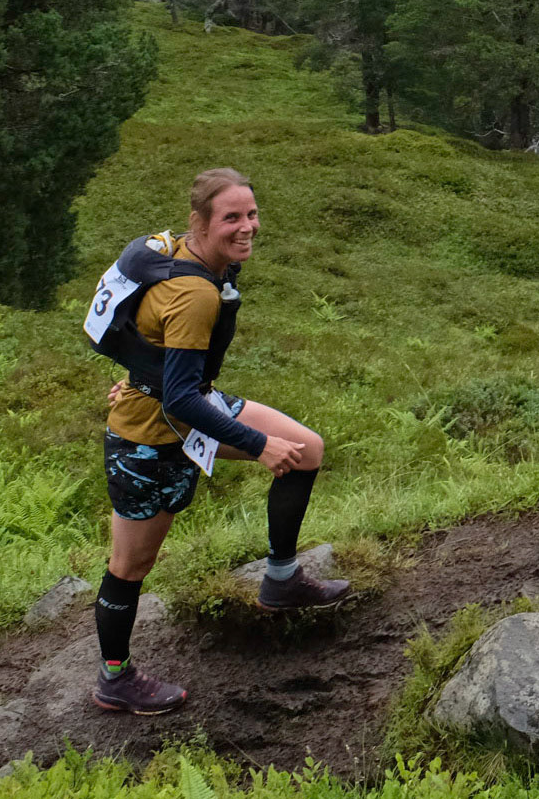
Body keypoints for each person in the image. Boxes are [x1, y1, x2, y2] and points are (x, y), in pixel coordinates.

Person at [91, 166, 349, 714]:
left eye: (251, 214)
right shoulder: (195, 294)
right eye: (232, 217)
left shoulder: (170, 250)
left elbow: (131, 324)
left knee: (307, 449)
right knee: (130, 567)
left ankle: (281, 580)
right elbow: (180, 401)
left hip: (188, 404)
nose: (247, 226)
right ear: (200, 222)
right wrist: (258, 446)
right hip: (148, 439)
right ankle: (115, 678)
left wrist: (142, 371)